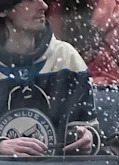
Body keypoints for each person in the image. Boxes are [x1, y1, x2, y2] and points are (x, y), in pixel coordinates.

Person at [0, 0, 100, 155]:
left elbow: (91, 130)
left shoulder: (67, 58)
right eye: (31, 0)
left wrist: (88, 137)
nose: (44, 6)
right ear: (3, 10)